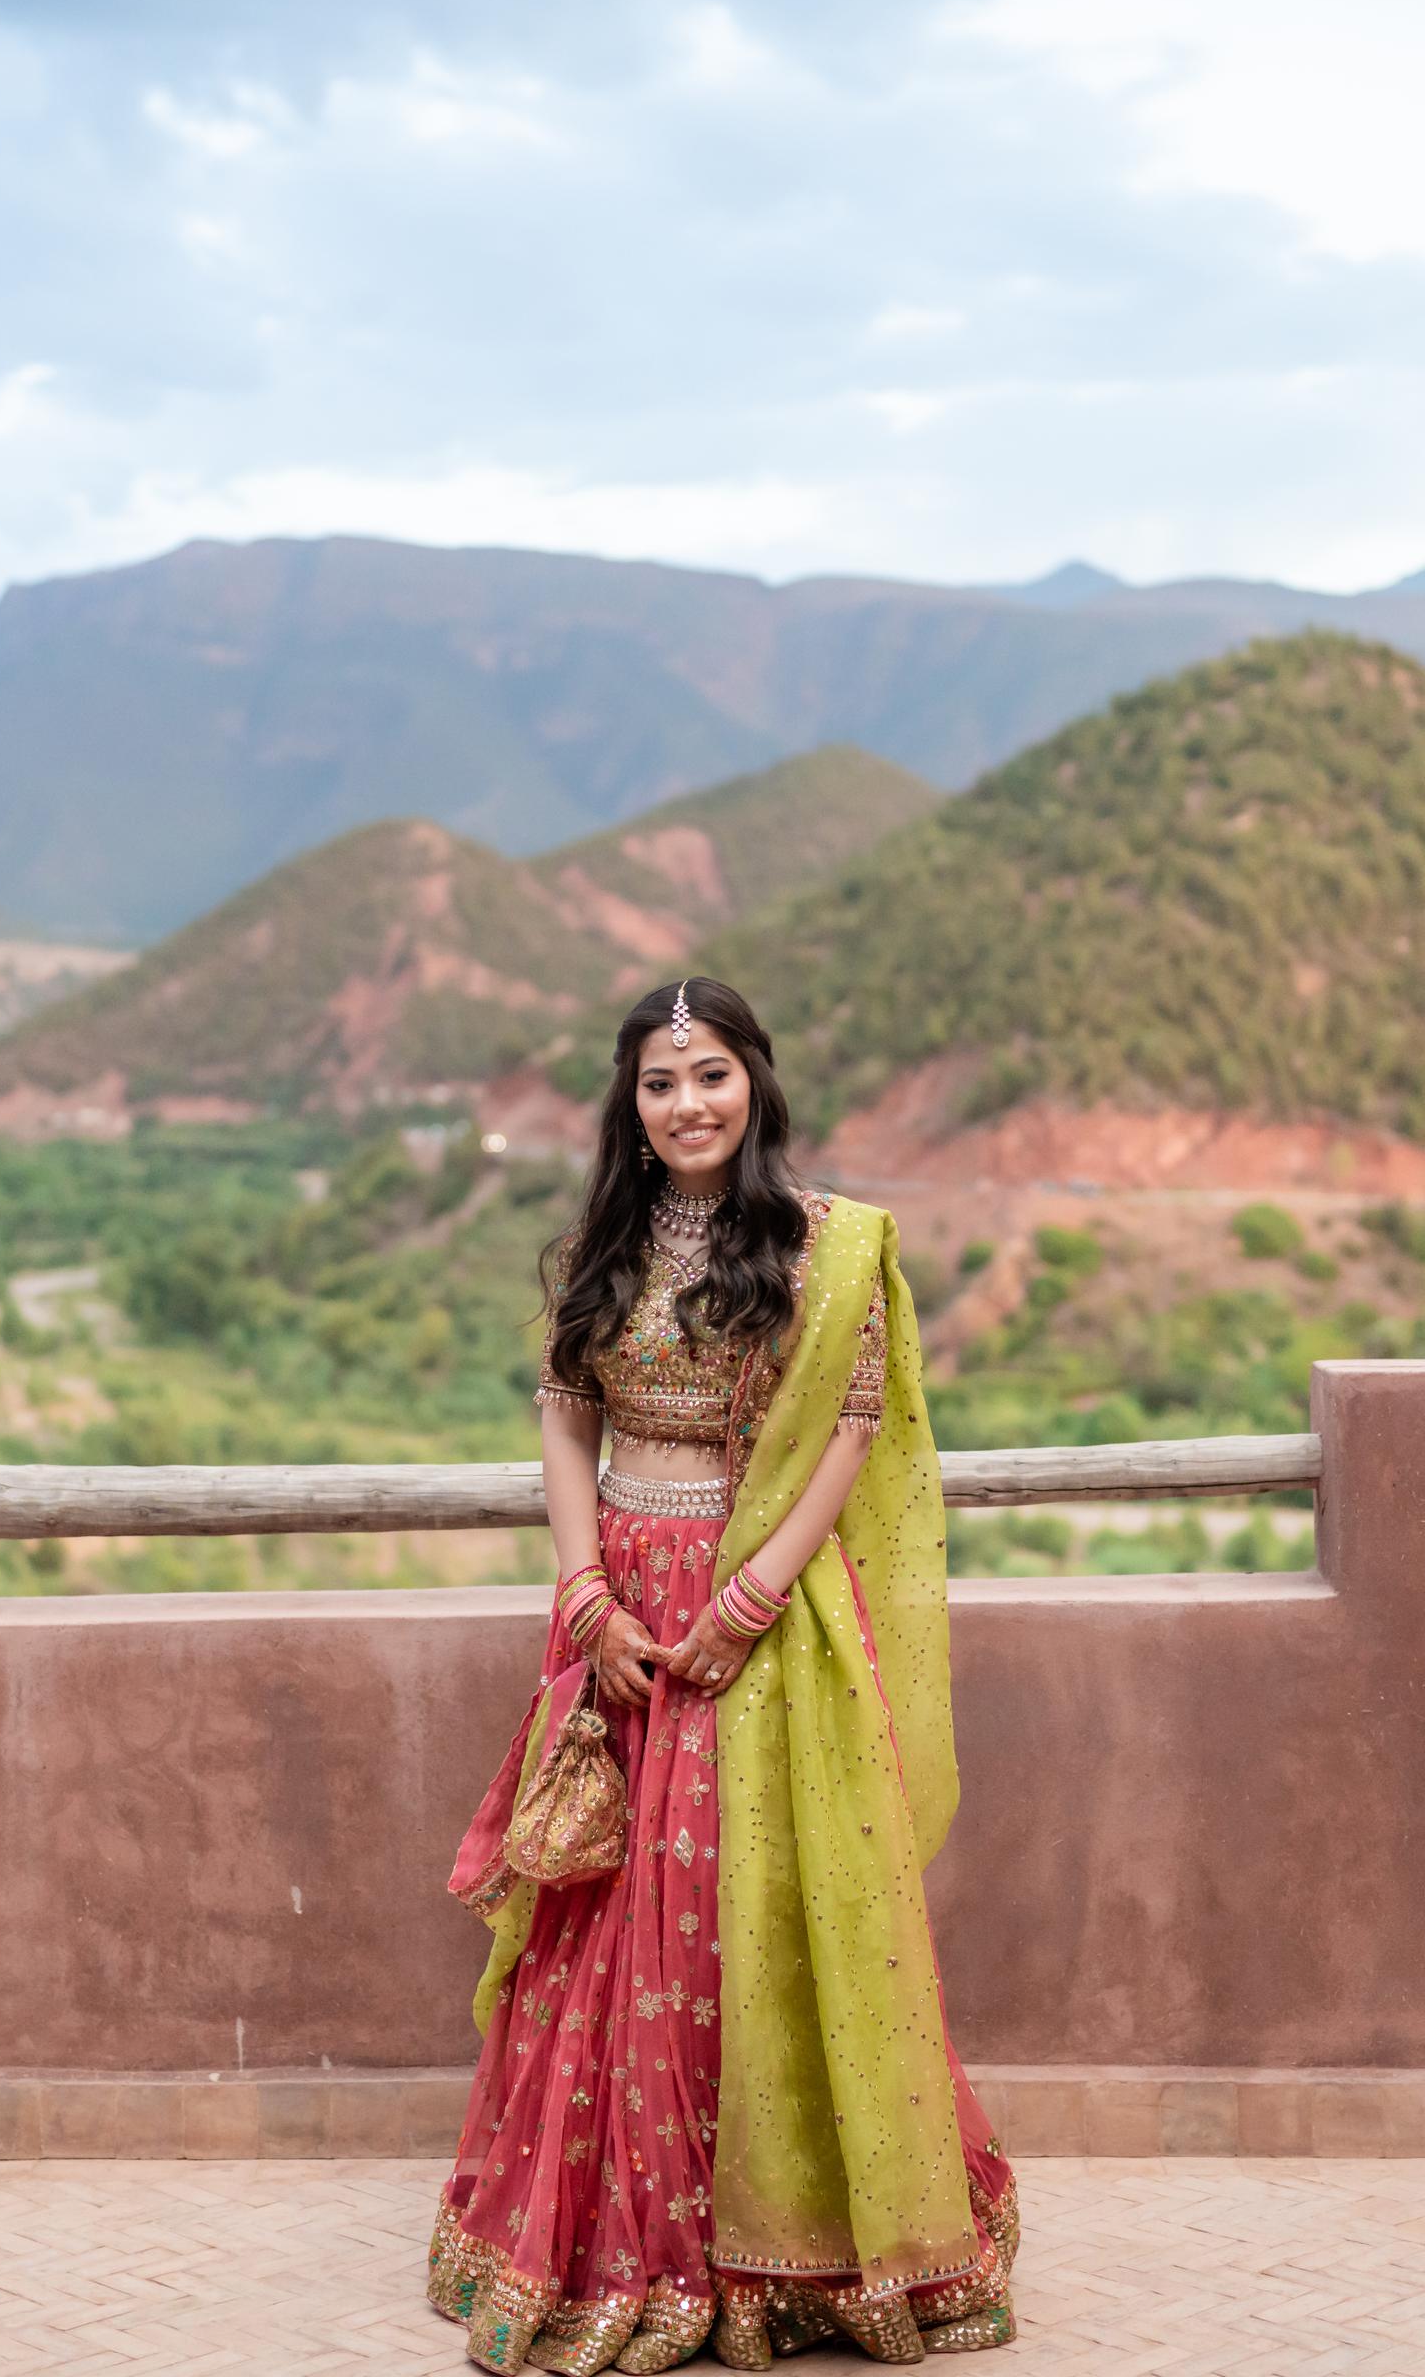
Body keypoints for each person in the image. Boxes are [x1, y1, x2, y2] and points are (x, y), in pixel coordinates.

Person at [431, 977, 1019, 2372]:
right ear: (627, 1105)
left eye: (709, 1075)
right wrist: (583, 1604)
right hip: (621, 1610)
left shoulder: (828, 1249)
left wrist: (749, 1602)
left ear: (754, 1081)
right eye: (658, 1081)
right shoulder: (597, 1247)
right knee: (605, 1914)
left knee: (734, 1911)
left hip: (764, 1612)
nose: (686, 1104)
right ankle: (615, 2242)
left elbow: (850, 1434)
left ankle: (771, 2255)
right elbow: (567, 1424)